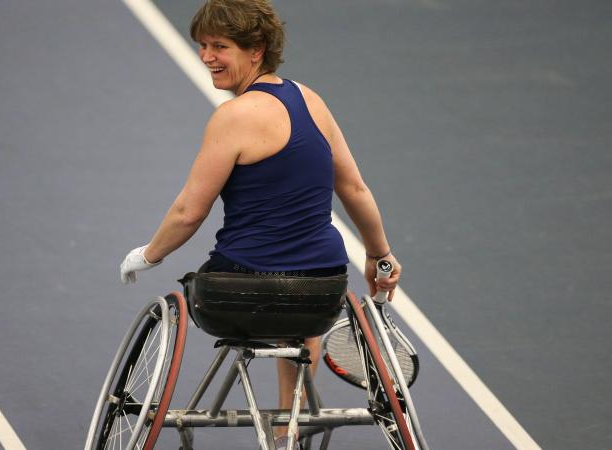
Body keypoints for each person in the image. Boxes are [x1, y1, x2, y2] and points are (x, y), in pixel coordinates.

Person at [119, 1, 401, 448]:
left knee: (247, 285)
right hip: (322, 293)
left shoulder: (232, 117)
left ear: (257, 51)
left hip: (235, 296)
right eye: (203, 46)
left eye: (220, 47)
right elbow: (355, 190)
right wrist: (380, 255)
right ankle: (288, 421)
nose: (207, 56)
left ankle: (283, 417)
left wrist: (148, 254)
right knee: (299, 292)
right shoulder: (311, 101)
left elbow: (189, 212)